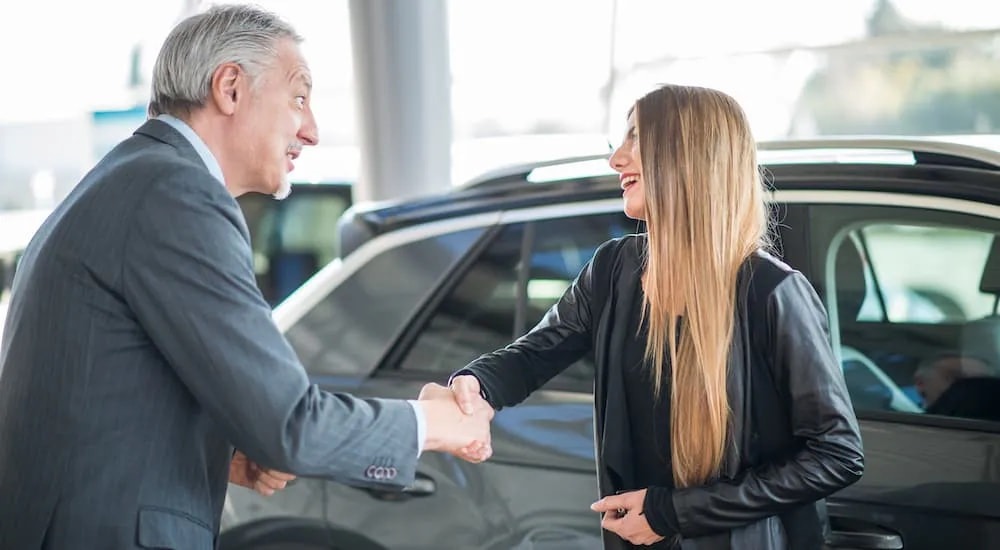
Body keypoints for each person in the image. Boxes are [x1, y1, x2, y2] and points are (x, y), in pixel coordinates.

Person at [0, 5, 491, 549]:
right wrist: (436, 423)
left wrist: (227, 452)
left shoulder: (125, 182)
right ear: (230, 88)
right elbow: (293, 426)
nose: (312, 130)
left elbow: (104, 386)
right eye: (298, 98)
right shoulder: (178, 194)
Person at [446, 84, 865, 549]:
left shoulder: (773, 292)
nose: (616, 161)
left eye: (635, 140)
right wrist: (478, 385)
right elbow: (534, 354)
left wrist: (673, 513)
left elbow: (836, 454)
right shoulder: (612, 270)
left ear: (690, 154)